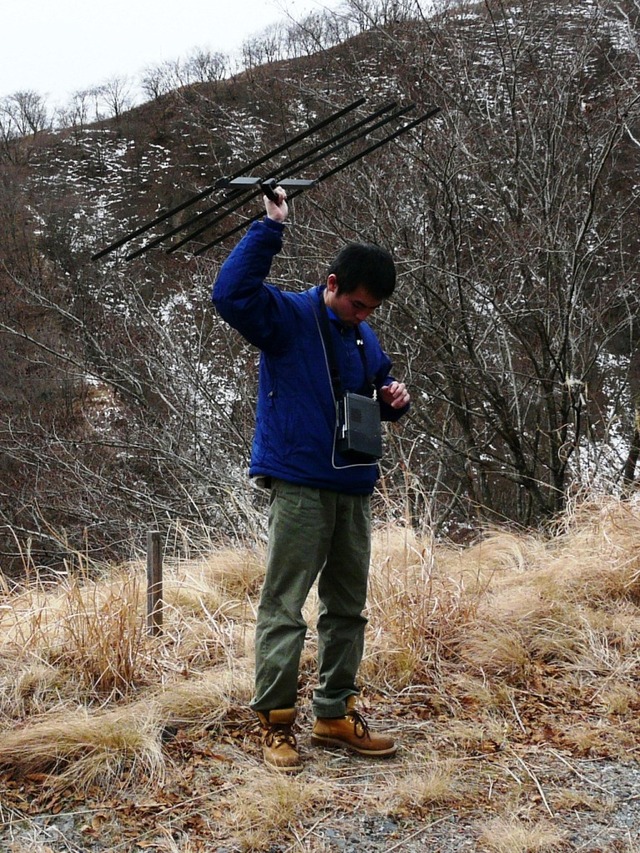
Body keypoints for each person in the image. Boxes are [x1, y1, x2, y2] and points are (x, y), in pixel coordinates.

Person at [212, 187, 411, 772]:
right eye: (356, 304)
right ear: (331, 285)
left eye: (372, 309)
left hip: (353, 487)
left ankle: (333, 714)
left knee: (348, 608)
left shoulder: (363, 337)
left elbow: (374, 392)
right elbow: (230, 294)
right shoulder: (287, 318)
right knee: (285, 606)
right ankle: (275, 724)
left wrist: (392, 400)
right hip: (299, 483)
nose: (364, 315)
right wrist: (269, 228)